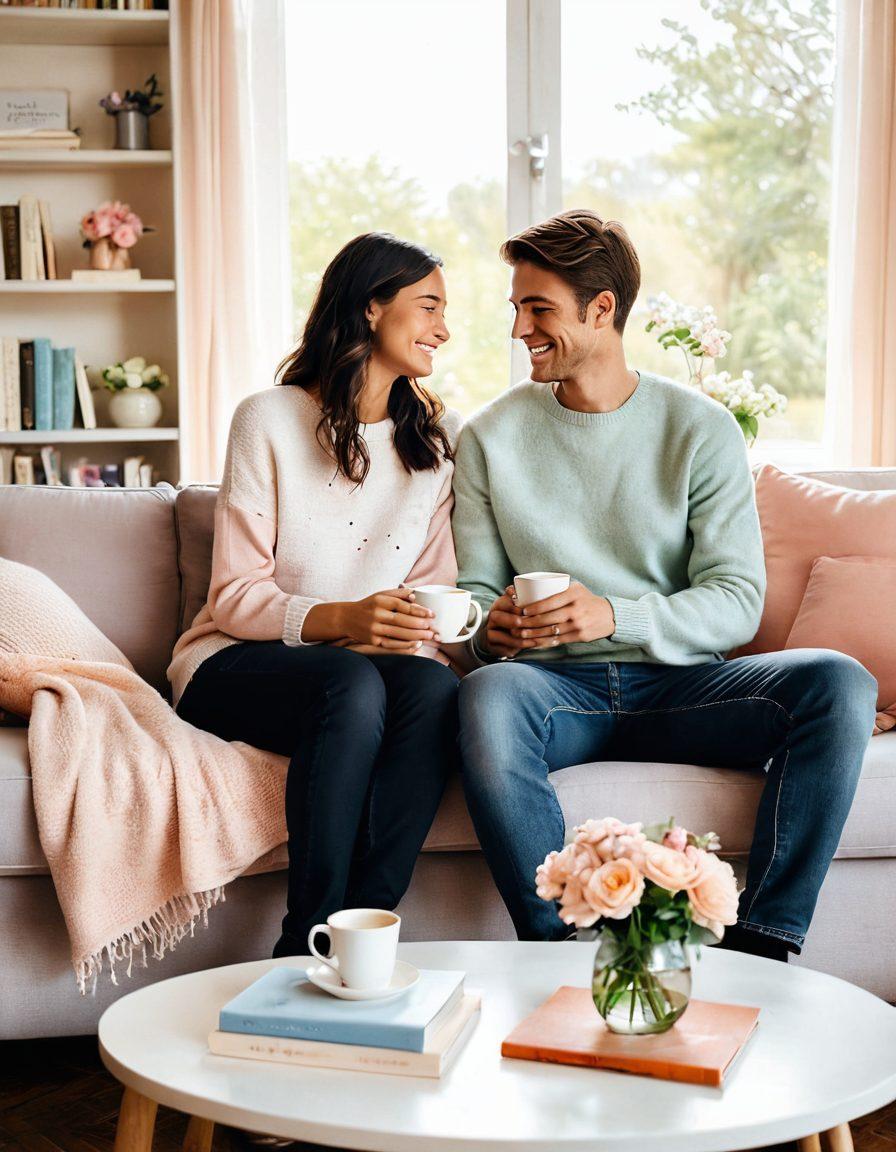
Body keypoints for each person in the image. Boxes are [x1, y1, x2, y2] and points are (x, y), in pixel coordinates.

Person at [452, 208, 877, 960]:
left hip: (685, 688)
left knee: (840, 683)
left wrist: (612, 614)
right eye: (516, 307)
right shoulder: (489, 437)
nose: (519, 328)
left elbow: (737, 600)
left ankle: (766, 947)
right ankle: (552, 952)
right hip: (556, 695)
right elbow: (478, 597)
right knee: (487, 695)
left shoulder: (701, 429)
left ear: (602, 308)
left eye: (537, 307)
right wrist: (493, 631)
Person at [168, 232, 462, 958]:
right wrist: (346, 620)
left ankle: (360, 934)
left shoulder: (432, 445)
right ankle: (304, 939)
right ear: (370, 308)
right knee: (351, 682)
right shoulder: (267, 419)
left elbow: (435, 590)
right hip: (233, 663)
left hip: (354, 673)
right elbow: (235, 596)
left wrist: (415, 627)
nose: (444, 330)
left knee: (433, 690)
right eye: (428, 306)